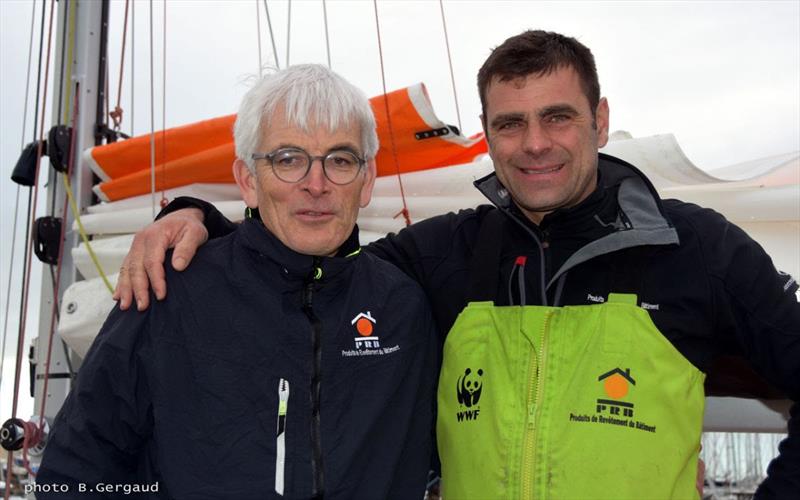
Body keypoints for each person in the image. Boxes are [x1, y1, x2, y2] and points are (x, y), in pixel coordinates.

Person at [115, 31, 800, 498]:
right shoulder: (440, 255)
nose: (535, 145)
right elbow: (307, 260)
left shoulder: (695, 250)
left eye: (557, 117)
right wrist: (199, 218)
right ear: (488, 133)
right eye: (509, 123)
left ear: (600, 117)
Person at [36, 64, 438, 499]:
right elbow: (72, 474)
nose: (316, 184)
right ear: (248, 181)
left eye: (340, 160)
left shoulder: (402, 307)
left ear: (367, 180)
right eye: (288, 160)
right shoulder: (170, 293)